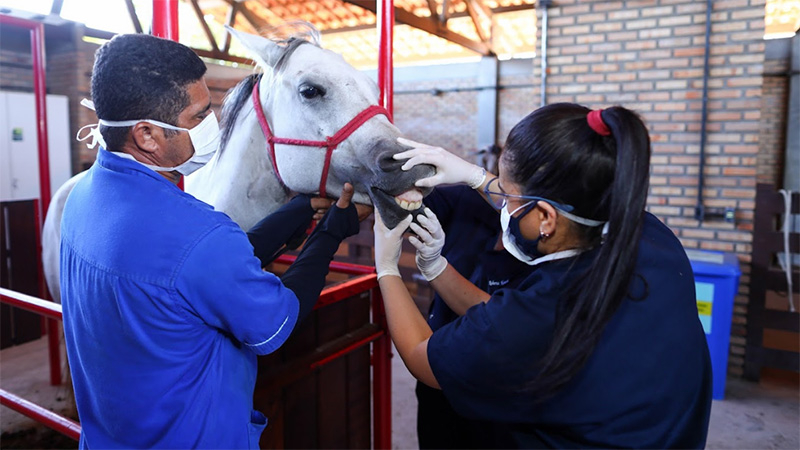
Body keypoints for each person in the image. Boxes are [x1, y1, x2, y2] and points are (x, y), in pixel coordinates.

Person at [60, 33, 365, 449]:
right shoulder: (197, 232)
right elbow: (277, 321)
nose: (213, 127)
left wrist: (296, 211)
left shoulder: (81, 197)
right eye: (199, 117)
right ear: (147, 136)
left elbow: (192, 272)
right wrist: (332, 232)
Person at [375, 104, 713, 448]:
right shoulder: (649, 235)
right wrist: (473, 179)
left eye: (505, 196)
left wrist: (387, 269)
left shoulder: (545, 307)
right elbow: (501, 318)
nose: (501, 205)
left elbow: (422, 356)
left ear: (547, 219)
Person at [412, 162, 533, 448]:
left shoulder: (548, 246)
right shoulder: (466, 203)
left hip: (500, 391)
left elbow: (499, 318)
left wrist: (424, 268)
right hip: (442, 369)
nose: (501, 185)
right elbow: (412, 202)